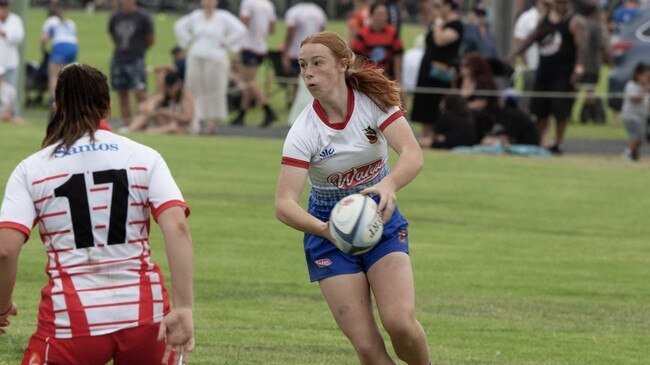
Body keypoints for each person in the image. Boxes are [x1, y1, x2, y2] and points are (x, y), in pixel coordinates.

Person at [0, 63, 194, 364]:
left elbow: (5, 250)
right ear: (109, 107)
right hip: (145, 317)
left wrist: (2, 306)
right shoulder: (144, 157)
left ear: (57, 106)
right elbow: (177, 227)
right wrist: (184, 307)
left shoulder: (32, 168)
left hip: (71, 322)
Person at [275, 31, 430, 365]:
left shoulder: (372, 102)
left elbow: (412, 154)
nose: (308, 74)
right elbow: (284, 204)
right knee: (368, 348)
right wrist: (327, 230)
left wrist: (388, 186)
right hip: (328, 236)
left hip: (381, 221)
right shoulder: (304, 132)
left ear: (343, 64)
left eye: (318, 63)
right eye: (303, 66)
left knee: (400, 324)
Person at [510, 0, 586, 154]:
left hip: (563, 73)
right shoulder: (544, 18)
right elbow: (533, 38)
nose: (561, 6)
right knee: (540, 110)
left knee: (560, 111)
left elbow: (581, 47)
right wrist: (516, 53)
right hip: (544, 71)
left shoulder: (574, 22)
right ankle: (540, 140)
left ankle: (559, 142)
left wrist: (578, 69)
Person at [175, 0, 247, 135]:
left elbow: (240, 30)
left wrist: (227, 42)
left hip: (216, 58)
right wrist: (186, 41)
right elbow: (179, 26)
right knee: (195, 89)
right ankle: (198, 120)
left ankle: (212, 123)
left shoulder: (223, 16)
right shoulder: (196, 16)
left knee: (215, 89)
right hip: (196, 55)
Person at [410, 0, 464, 148]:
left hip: (441, 75)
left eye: (439, 6)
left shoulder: (455, 25)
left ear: (449, 6)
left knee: (436, 108)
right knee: (425, 109)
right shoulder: (438, 23)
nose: (437, 10)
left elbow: (440, 41)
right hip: (428, 72)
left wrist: (438, 24)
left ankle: (432, 140)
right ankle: (424, 137)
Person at [230, 0, 278, 128]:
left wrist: (237, 44)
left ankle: (268, 110)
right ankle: (242, 114)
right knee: (249, 82)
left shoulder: (248, 3)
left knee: (250, 82)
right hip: (261, 47)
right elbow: (272, 28)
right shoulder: (268, 5)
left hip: (249, 46)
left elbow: (242, 23)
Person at [108, 0, 155, 129]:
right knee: (122, 93)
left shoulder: (143, 17)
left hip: (136, 59)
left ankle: (142, 123)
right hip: (119, 58)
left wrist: (140, 49)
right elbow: (112, 34)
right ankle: (127, 124)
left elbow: (150, 39)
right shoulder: (115, 17)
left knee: (140, 93)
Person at [350, 1, 404, 81]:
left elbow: (398, 59)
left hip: (387, 78)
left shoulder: (392, 34)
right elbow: (356, 61)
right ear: (371, 15)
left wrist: (399, 81)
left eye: (385, 14)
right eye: (380, 14)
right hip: (367, 79)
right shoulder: (362, 35)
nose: (383, 18)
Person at [512, 0, 549, 113]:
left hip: (546, 65)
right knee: (528, 95)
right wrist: (525, 63)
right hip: (531, 64)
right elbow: (519, 40)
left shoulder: (551, 18)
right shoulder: (527, 17)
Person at [130, 70, 194, 134]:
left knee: (172, 128)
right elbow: (142, 107)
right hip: (164, 124)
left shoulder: (186, 96)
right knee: (146, 114)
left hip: (182, 128)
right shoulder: (164, 94)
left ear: (178, 84)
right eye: (168, 88)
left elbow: (187, 118)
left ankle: (146, 132)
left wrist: (168, 114)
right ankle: (129, 130)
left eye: (172, 88)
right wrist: (151, 108)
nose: (170, 91)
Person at [40, 5, 79, 104]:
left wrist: (42, 49)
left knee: (54, 75)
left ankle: (54, 100)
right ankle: (70, 99)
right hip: (73, 48)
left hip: (60, 47)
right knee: (68, 74)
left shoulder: (50, 21)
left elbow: (44, 38)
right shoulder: (70, 22)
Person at [458, 52, 499, 145]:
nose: (462, 68)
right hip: (467, 110)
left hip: (485, 114)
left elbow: (481, 103)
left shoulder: (483, 81)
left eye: (465, 66)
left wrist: (463, 107)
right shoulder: (461, 80)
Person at [0, 0, 25, 117]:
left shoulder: (15, 20)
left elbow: (19, 37)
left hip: (11, 60)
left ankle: (13, 114)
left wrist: (4, 33)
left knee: (11, 89)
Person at [621, 63, 650, 161]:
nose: (647, 79)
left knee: (639, 136)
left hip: (640, 117)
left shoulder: (644, 88)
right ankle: (628, 153)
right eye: (646, 76)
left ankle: (634, 154)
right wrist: (645, 91)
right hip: (631, 116)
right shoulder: (631, 85)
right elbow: (634, 98)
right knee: (636, 135)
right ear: (638, 75)